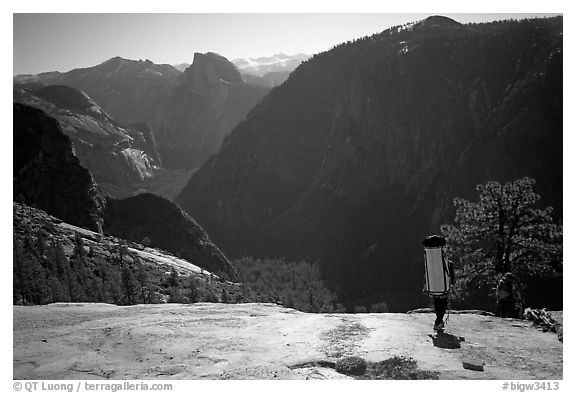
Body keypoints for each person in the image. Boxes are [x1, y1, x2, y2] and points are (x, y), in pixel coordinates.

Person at [432, 259, 455, 331]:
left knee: (437, 305)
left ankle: (440, 322)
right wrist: (452, 285)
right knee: (442, 307)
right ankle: (437, 323)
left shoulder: (434, 263)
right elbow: (452, 276)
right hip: (444, 288)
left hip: (435, 288)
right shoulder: (449, 263)